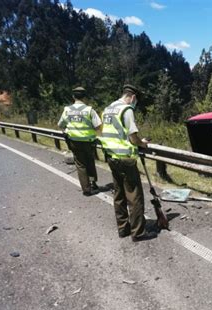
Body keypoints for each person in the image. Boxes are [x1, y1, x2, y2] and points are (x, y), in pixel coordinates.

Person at [100, 84, 150, 240]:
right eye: (135, 101)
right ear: (133, 97)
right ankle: (138, 233)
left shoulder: (108, 109)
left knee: (119, 194)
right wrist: (142, 143)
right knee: (134, 196)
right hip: (125, 159)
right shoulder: (126, 110)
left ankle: (123, 229)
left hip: (111, 157)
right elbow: (133, 137)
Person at [58, 87, 102, 196]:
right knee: (90, 161)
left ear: (73, 97)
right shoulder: (89, 110)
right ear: (85, 97)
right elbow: (98, 126)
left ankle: (86, 189)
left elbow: (60, 125)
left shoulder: (67, 110)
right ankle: (93, 183)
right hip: (88, 141)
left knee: (80, 164)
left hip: (74, 141)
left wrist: (68, 131)